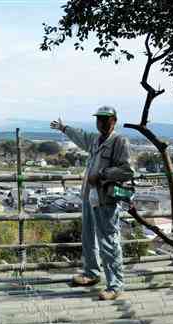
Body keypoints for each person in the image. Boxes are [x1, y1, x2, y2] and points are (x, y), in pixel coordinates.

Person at [50, 106, 134, 300]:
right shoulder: (96, 140)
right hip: (90, 196)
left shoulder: (119, 141)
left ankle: (115, 284)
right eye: (99, 120)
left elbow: (127, 170)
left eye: (106, 120)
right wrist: (64, 128)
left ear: (114, 121)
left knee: (109, 241)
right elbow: (81, 137)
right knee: (88, 237)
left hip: (106, 198)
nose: (102, 123)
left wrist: (102, 175)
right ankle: (91, 273)